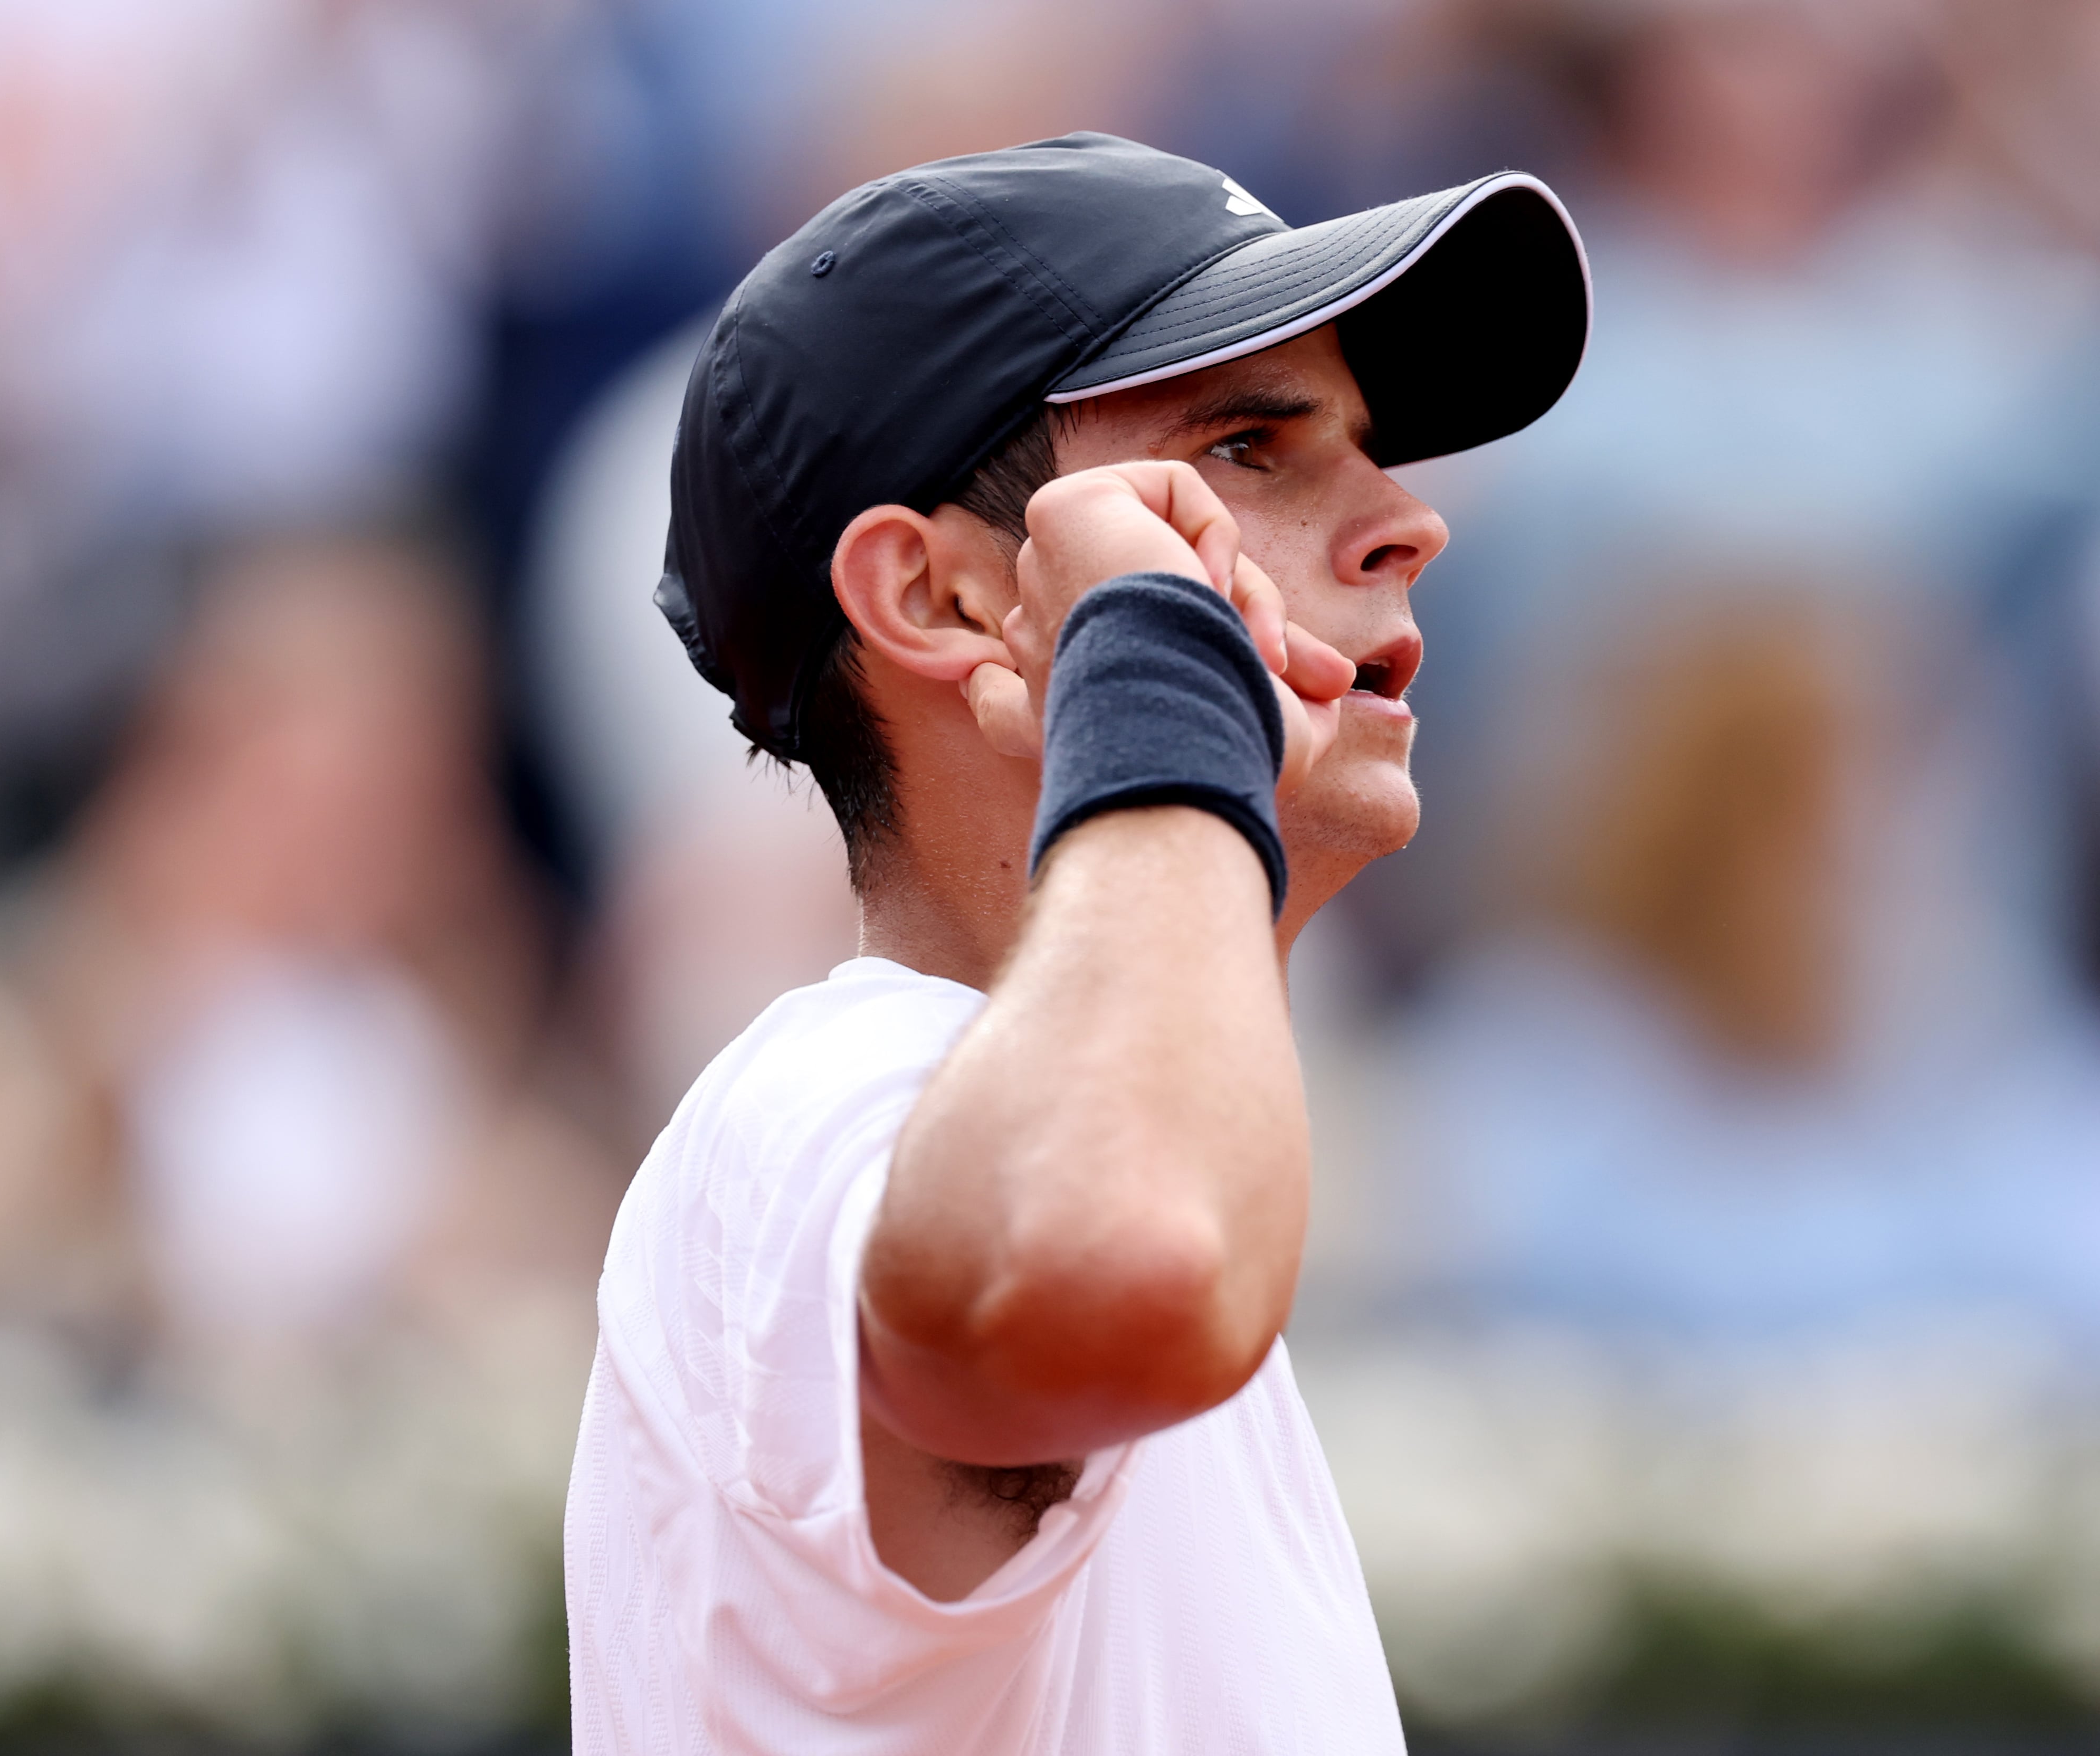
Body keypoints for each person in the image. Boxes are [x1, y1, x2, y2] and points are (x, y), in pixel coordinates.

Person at [563, 132, 1588, 1750]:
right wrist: (1165, 671)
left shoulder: (1079, 1118)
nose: (1409, 523)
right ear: (949, 602)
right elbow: (1134, 1259)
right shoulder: (823, 1107)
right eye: (1250, 447)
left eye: (1371, 448)